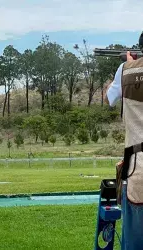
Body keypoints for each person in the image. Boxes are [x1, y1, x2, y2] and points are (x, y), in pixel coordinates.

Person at [105, 32, 143, 250]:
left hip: (138, 169)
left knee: (135, 242)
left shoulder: (126, 71)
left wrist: (127, 68)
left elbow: (109, 98)